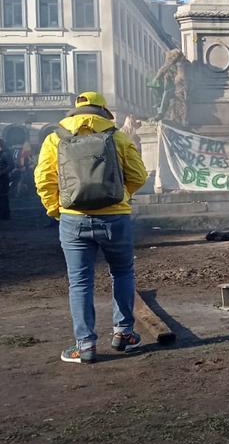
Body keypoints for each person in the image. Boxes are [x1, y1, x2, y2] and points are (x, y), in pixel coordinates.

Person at [35, 92, 149, 363]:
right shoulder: (118, 137)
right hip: (115, 217)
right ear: (104, 111)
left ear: (75, 111)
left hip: (73, 218)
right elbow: (139, 175)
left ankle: (85, 345)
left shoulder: (55, 138)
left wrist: (56, 209)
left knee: (80, 282)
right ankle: (123, 333)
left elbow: (43, 179)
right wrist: (123, 197)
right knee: (122, 273)